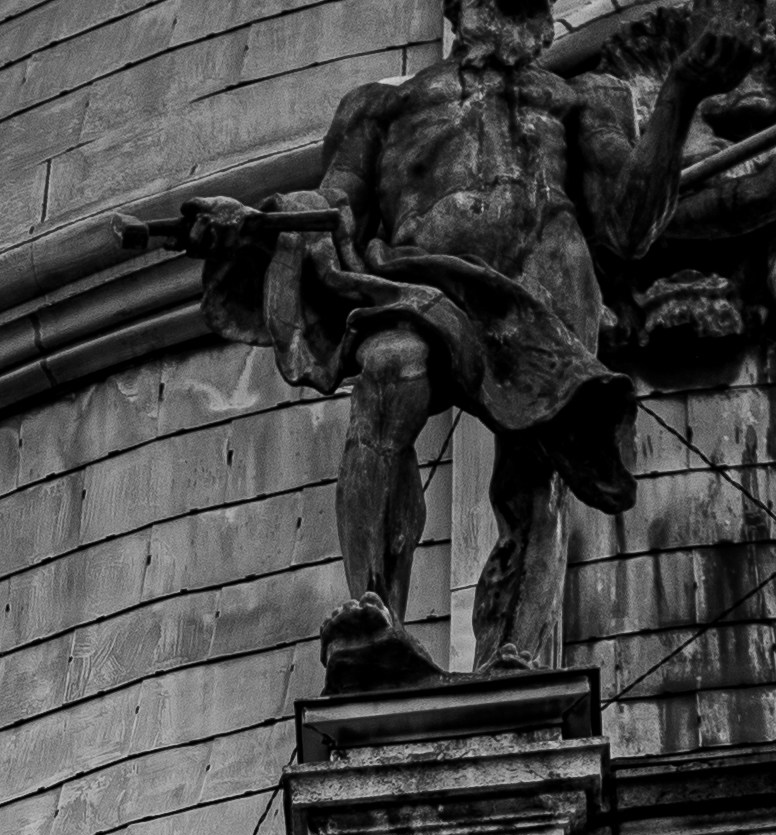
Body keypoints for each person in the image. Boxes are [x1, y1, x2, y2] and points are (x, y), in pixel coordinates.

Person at [190, 0, 756, 674]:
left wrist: (682, 93)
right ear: (459, 6)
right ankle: (376, 610)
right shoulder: (378, 106)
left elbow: (631, 225)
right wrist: (258, 220)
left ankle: (514, 650)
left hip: (544, 279)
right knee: (391, 369)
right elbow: (334, 206)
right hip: (422, 281)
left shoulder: (582, 102)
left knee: (533, 464)